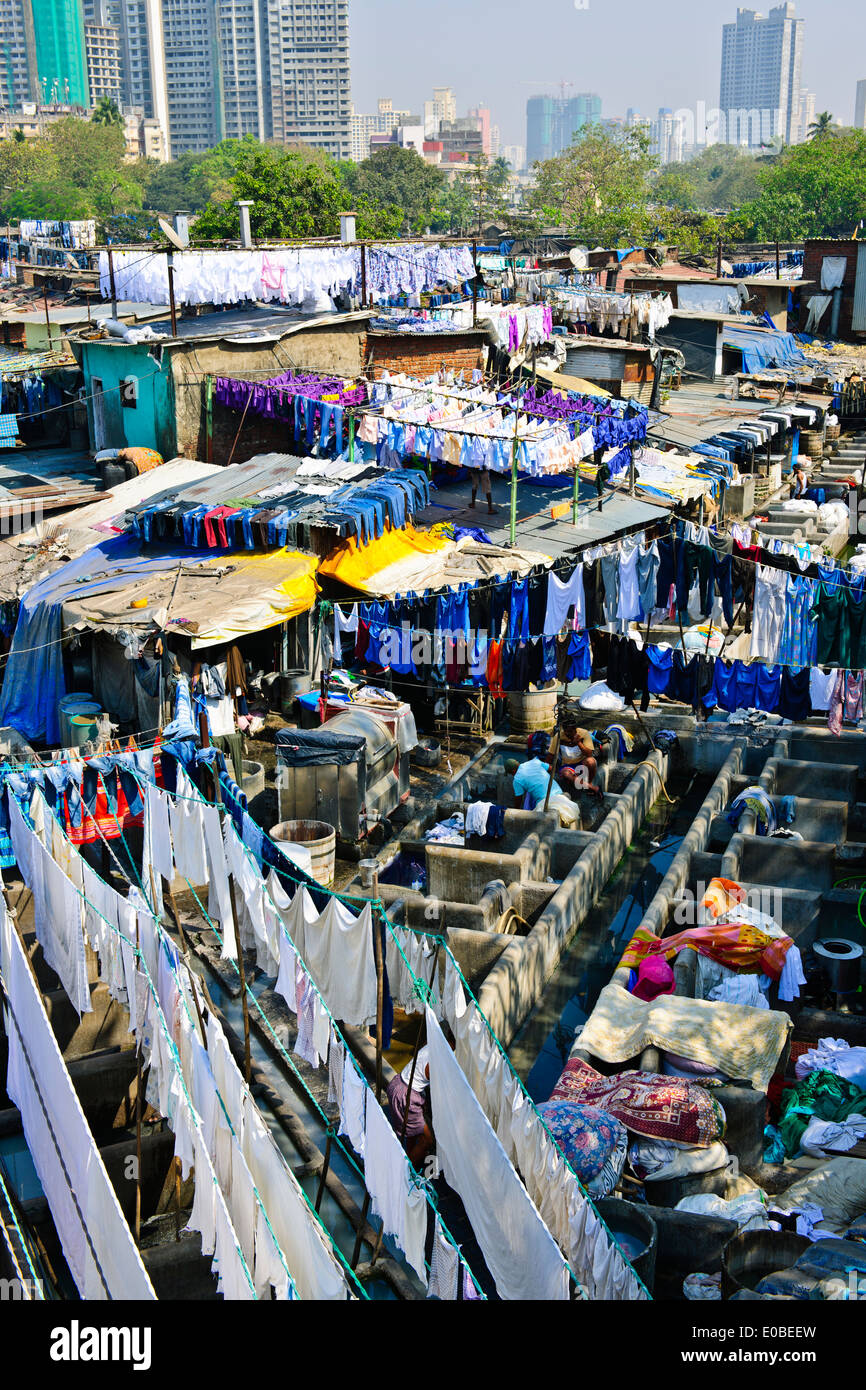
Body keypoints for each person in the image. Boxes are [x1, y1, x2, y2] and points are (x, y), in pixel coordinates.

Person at [386, 1047, 434, 1168]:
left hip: (397, 1084)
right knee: (428, 1139)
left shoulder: (432, 1043)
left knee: (410, 1131)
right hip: (407, 1094)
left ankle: (411, 1155)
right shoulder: (437, 1062)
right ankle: (406, 1171)